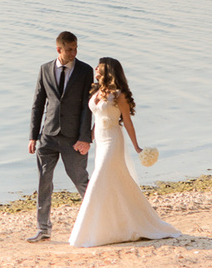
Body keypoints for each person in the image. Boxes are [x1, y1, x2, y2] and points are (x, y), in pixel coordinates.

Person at [68, 57, 180, 248]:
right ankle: (114, 226)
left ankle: (94, 230)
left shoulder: (119, 95)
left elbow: (127, 121)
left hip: (113, 140)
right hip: (101, 142)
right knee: (114, 181)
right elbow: (97, 118)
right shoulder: (96, 91)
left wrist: (137, 147)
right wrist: (89, 140)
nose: (95, 67)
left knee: (98, 179)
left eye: (99, 65)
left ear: (107, 70)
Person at [27, 31, 93, 242]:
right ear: (59, 50)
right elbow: (38, 103)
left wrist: (85, 138)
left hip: (73, 138)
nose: (74, 52)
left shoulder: (85, 71)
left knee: (81, 180)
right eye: (70, 49)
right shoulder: (45, 69)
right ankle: (43, 228)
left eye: (76, 48)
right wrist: (33, 136)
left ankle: (98, 220)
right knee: (43, 181)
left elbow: (87, 107)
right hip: (48, 135)